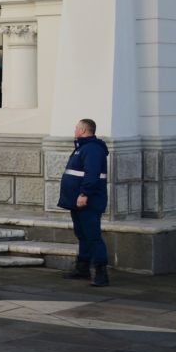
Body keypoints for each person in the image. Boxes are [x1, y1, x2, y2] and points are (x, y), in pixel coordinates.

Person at [59, 118, 110, 286]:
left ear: (82, 130)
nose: (74, 131)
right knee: (83, 235)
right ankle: (83, 269)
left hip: (88, 201)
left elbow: (92, 174)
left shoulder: (92, 149)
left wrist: (84, 194)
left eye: (76, 128)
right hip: (78, 201)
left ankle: (102, 274)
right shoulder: (83, 148)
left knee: (93, 236)